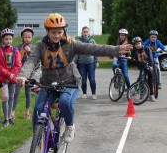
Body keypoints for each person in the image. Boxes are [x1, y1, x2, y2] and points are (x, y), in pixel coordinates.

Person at [16, 13, 132, 143]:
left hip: (69, 82)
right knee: (38, 108)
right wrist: (22, 76)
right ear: (47, 32)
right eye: (53, 32)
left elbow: (94, 49)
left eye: (60, 32)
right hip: (48, 83)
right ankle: (37, 144)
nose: (57, 35)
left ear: (64, 31)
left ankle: (70, 126)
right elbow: (31, 61)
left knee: (64, 102)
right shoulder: (40, 45)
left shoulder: (71, 44)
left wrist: (116, 49)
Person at [0, 28, 22, 126]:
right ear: (3, 40)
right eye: (6, 39)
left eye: (10, 39)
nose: (8, 41)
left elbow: (18, 64)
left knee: (11, 97)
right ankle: (5, 118)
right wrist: (7, 74)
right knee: (5, 97)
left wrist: (11, 75)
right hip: (3, 78)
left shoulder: (15, 50)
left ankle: (9, 117)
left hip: (12, 78)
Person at [12, 27, 39, 120]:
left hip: (29, 75)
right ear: (22, 37)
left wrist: (29, 52)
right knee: (15, 93)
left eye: (29, 37)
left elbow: (36, 62)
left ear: (32, 38)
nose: (27, 39)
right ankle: (12, 112)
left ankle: (27, 112)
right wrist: (23, 52)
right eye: (25, 37)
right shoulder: (18, 48)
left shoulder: (34, 48)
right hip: (19, 75)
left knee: (28, 94)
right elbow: (15, 60)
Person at [75, 26, 99, 100]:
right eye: (84, 32)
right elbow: (76, 53)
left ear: (89, 33)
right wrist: (75, 62)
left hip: (91, 63)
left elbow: (96, 51)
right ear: (81, 33)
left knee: (92, 79)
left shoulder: (92, 41)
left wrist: (97, 61)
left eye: (86, 32)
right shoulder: (78, 41)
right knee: (83, 79)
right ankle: (84, 93)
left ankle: (94, 94)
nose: (85, 33)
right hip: (81, 63)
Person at [132, 36, 156, 102]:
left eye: (138, 43)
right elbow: (137, 62)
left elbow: (151, 58)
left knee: (150, 80)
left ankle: (151, 95)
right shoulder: (136, 52)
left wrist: (150, 65)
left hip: (149, 66)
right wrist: (140, 68)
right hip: (142, 67)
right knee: (141, 80)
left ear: (141, 43)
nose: (137, 45)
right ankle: (142, 94)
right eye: (136, 44)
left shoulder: (146, 49)